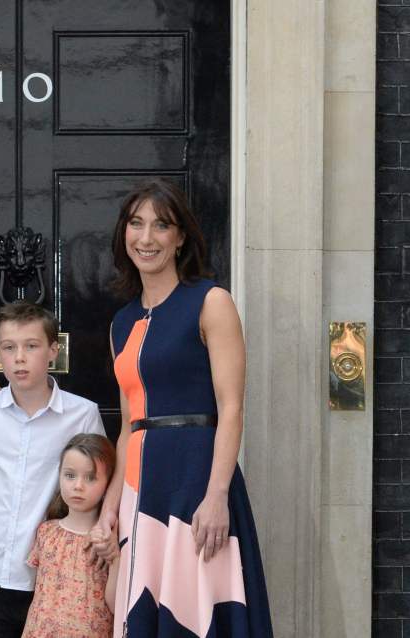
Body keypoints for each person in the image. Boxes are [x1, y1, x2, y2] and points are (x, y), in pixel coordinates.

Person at [92, 178, 273, 637]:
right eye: (136, 224)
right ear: (124, 234)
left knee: (196, 613)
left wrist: (216, 496)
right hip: (141, 491)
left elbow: (231, 409)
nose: (146, 237)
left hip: (197, 482)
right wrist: (110, 509)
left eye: (160, 226)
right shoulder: (122, 321)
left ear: (180, 238)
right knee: (140, 611)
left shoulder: (211, 302)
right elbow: (128, 427)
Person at [0, 301, 106, 638]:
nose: (19, 357)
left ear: (52, 351)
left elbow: (102, 484)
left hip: (58, 581)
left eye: (31, 346)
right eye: (9, 347)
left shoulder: (82, 414)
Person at [21, 434, 117, 638]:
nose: (78, 486)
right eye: (70, 475)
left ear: (108, 484)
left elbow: (115, 604)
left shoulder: (108, 542)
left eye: (90, 477)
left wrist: (116, 559)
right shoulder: (47, 532)